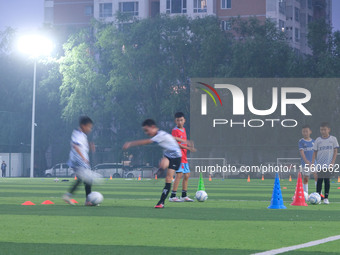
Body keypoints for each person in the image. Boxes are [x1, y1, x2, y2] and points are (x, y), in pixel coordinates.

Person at [123, 119, 195, 208]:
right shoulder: (161, 133)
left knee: (168, 178)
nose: (146, 132)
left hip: (176, 157)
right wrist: (185, 141)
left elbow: (146, 142)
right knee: (163, 166)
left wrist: (130, 143)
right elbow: (172, 137)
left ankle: (161, 202)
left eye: (147, 130)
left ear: (153, 127)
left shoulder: (159, 135)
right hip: (168, 155)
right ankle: (161, 172)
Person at [63, 116, 95, 206]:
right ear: (83, 126)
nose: (90, 129)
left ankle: (68, 195)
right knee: (88, 178)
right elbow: (76, 146)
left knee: (82, 179)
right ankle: (88, 201)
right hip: (78, 160)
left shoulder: (82, 135)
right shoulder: (78, 134)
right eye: (89, 127)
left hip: (79, 160)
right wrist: (83, 158)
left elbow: (80, 146)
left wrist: (89, 145)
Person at [169, 112, 195, 202]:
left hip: (184, 156)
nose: (179, 122)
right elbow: (177, 144)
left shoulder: (183, 130)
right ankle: (173, 196)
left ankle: (184, 195)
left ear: (184, 121)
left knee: (187, 175)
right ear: (175, 121)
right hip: (178, 156)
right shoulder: (174, 131)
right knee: (179, 175)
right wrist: (188, 147)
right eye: (177, 120)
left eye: (181, 120)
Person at [312, 122, 339, 204]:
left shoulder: (333, 139)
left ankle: (326, 198)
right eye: (321, 130)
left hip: (328, 164)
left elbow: (335, 151)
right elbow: (315, 152)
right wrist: (313, 163)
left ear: (329, 130)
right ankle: (318, 197)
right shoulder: (318, 140)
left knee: (327, 180)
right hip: (319, 164)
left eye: (324, 129)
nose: (323, 131)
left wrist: (332, 162)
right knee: (319, 181)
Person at [298, 125, 317, 194]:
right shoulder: (301, 141)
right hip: (305, 164)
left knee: (316, 177)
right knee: (306, 178)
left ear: (310, 132)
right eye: (303, 131)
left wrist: (312, 162)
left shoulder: (314, 142)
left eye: (306, 131)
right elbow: (302, 152)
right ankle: (305, 193)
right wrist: (306, 161)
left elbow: (315, 152)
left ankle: (319, 192)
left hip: (314, 163)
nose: (305, 133)